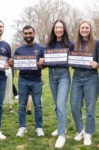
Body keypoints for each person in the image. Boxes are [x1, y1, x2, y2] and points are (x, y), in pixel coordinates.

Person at [70, 20, 99, 146]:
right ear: (79, 30)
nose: (84, 30)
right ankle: (80, 130)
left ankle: (88, 133)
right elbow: (69, 59)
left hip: (91, 77)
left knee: (90, 108)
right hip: (76, 77)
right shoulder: (74, 44)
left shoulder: (97, 43)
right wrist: (70, 62)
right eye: (82, 28)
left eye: (87, 28)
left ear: (90, 29)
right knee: (75, 106)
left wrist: (97, 64)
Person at [46, 20, 74, 148]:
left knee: (61, 103)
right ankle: (60, 126)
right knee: (57, 105)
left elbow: (75, 59)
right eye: (56, 27)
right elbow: (45, 60)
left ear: (64, 29)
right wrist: (42, 61)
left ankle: (62, 135)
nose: (58, 30)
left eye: (61, 27)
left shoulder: (70, 44)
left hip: (64, 75)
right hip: (52, 75)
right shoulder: (49, 44)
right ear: (53, 29)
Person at [15, 25, 44, 137]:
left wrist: (42, 64)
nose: (28, 35)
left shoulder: (41, 48)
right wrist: (12, 63)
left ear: (34, 34)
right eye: (26, 33)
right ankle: (22, 127)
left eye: (30, 33)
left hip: (36, 80)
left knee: (38, 105)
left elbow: (45, 65)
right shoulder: (18, 50)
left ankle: (39, 127)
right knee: (22, 105)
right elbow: (15, 64)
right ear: (23, 35)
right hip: (23, 80)